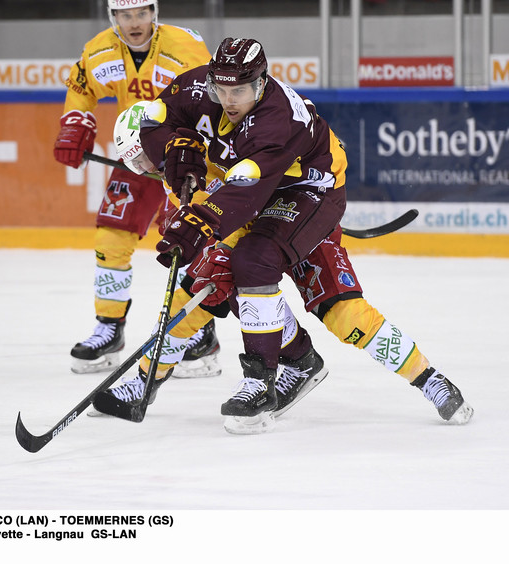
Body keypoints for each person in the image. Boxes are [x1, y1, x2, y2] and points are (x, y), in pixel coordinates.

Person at [95, 38, 474, 433]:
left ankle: (427, 379)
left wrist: (202, 220)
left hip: (310, 192)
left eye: (238, 90)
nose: (228, 99)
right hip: (254, 201)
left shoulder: (277, 119)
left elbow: (245, 190)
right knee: (207, 282)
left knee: (333, 307)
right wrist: (177, 145)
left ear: (261, 82)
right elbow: (158, 118)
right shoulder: (199, 93)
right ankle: (151, 379)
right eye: (220, 89)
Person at [53, 0, 220, 378]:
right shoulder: (99, 50)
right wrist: (76, 122)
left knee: (187, 241)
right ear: (113, 17)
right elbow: (81, 86)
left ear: (154, 12)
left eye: (141, 13)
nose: (134, 23)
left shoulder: (186, 47)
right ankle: (109, 326)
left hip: (185, 159)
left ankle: (200, 334)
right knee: (111, 236)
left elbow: (217, 99)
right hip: (136, 161)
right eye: (125, 15)